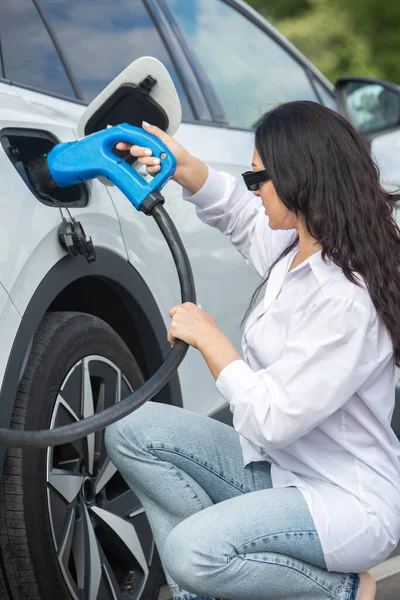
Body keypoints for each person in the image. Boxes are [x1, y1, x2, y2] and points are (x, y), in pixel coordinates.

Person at [105, 101, 400, 600]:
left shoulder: (345, 298)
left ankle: (343, 591)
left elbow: (272, 419)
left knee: (191, 552)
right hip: (281, 473)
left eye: (258, 177)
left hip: (343, 505)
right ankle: (201, 589)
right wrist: (184, 166)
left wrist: (211, 339)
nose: (252, 188)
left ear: (298, 178)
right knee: (131, 431)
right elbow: (240, 216)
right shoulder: (298, 249)